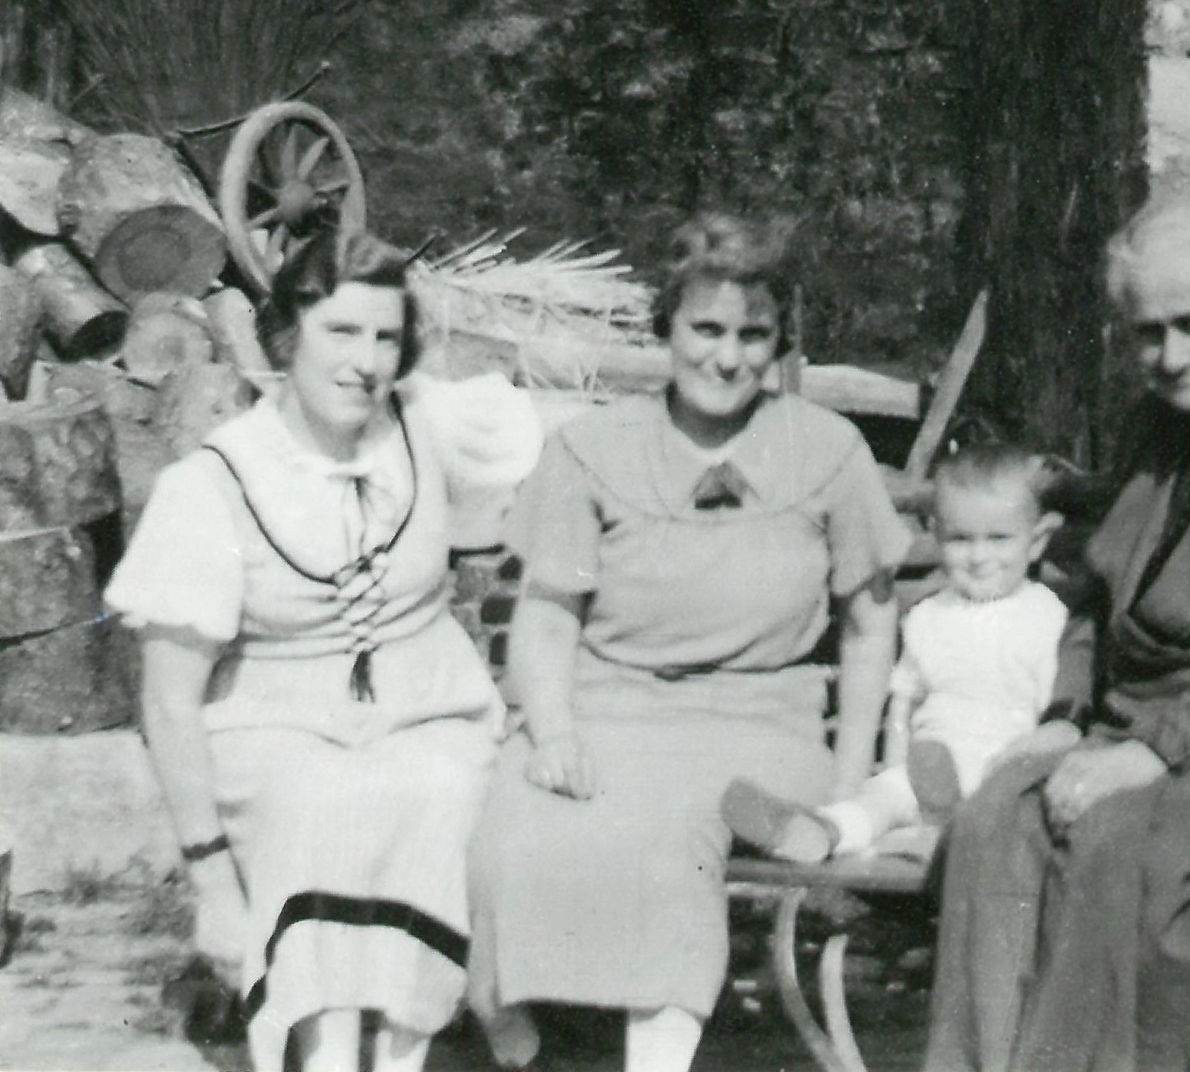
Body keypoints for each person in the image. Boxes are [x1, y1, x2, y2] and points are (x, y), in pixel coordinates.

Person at [465, 212, 912, 1072]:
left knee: (669, 841)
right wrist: (552, 732)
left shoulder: (826, 449)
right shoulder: (591, 449)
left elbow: (868, 623)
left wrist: (851, 781)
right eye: (706, 328)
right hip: (604, 714)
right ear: (665, 326)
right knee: (508, 839)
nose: (727, 355)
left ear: (780, 342)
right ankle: (522, 1045)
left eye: (755, 334)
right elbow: (549, 615)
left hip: (759, 727)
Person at [922, 192, 1190, 1072]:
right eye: (1147, 332)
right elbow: (1096, 589)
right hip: (1118, 715)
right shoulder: (1152, 420)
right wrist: (1066, 715)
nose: (1169, 355)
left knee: (1117, 843)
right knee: (995, 817)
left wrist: (1153, 751)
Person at [104, 231, 542, 1072]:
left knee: (442, 794)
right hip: (274, 722)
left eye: (384, 338)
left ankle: (414, 1048)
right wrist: (210, 885)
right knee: (318, 806)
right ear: (284, 339)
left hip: (431, 703)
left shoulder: (428, 426)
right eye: (340, 334)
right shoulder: (214, 485)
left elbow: (557, 461)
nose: (365, 363)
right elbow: (168, 700)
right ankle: (326, 1054)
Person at [722, 443, 1069, 863]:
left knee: (998, 802)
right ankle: (823, 832)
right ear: (937, 534)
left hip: (1002, 768)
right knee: (883, 799)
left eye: (998, 540)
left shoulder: (1046, 617)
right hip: (926, 769)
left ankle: (939, 835)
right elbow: (904, 705)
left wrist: (1026, 761)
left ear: (1036, 542)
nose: (979, 557)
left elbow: (1054, 713)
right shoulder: (927, 618)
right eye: (961, 540)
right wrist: (892, 769)